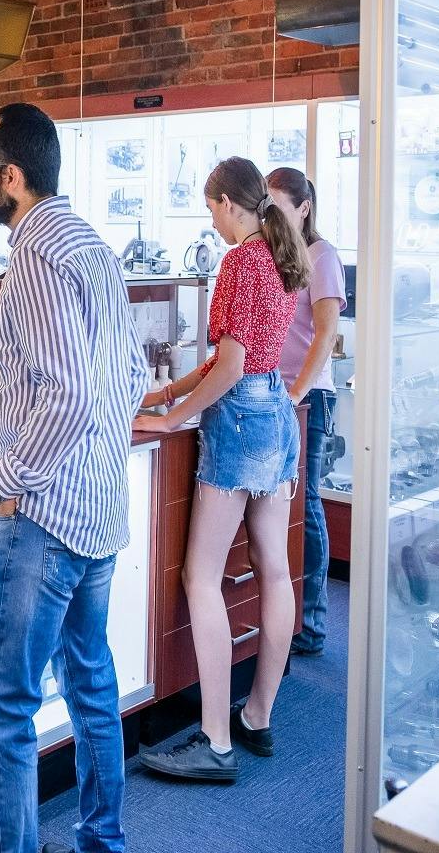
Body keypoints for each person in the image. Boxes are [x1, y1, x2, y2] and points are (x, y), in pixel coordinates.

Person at [0, 102, 148, 853]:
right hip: (99, 508)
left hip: (42, 520)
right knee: (91, 687)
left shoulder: (36, 259)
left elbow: (66, 392)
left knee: (3, 705)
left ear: (11, 177)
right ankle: (101, 840)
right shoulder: (93, 248)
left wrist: (11, 478)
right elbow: (131, 375)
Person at [135, 156, 309, 783]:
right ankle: (257, 717)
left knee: (201, 579)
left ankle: (214, 741)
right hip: (277, 412)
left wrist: (173, 418)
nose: (211, 222)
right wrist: (164, 397)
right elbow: (239, 363)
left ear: (230, 204)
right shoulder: (285, 256)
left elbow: (229, 367)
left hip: (239, 419)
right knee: (277, 572)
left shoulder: (239, 262)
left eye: (211, 209)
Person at [266, 167, 345, 656]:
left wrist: (296, 393)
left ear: (304, 207)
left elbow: (324, 334)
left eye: (278, 204)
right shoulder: (274, 257)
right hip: (275, 395)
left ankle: (312, 623)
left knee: (306, 504)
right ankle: (285, 617)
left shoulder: (322, 256)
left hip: (308, 397)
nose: (270, 214)